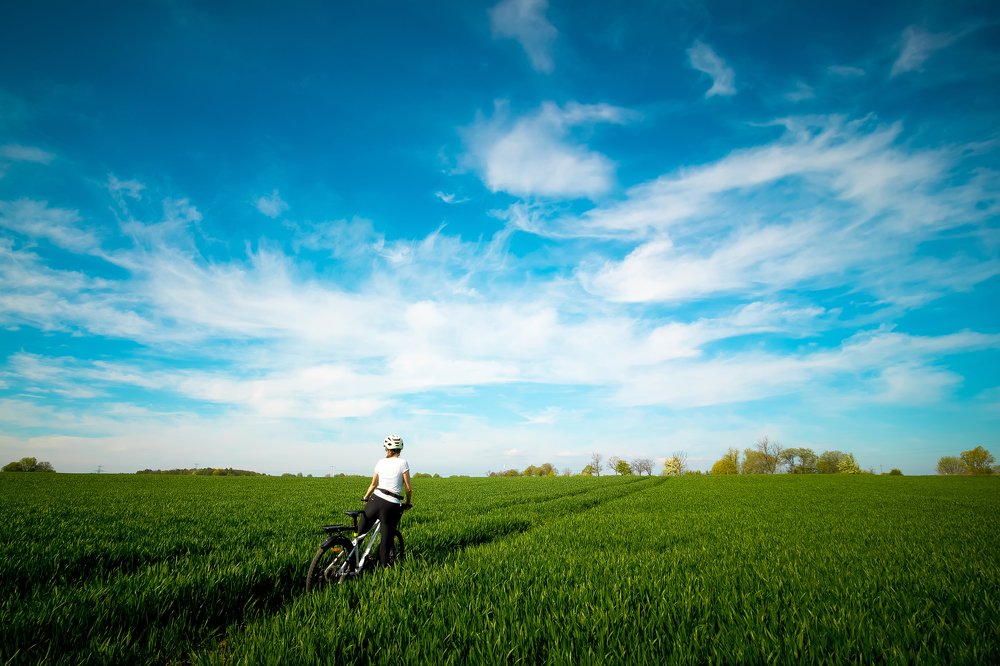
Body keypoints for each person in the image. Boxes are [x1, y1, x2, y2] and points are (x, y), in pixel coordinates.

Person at [359, 434, 412, 566]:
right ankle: (383, 570)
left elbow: (373, 484)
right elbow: (408, 488)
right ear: (399, 450)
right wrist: (407, 502)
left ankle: (349, 563)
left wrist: (365, 497)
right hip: (391, 505)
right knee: (386, 541)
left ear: (388, 449)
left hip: (374, 499)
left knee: (359, 535)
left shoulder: (380, 462)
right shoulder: (403, 462)